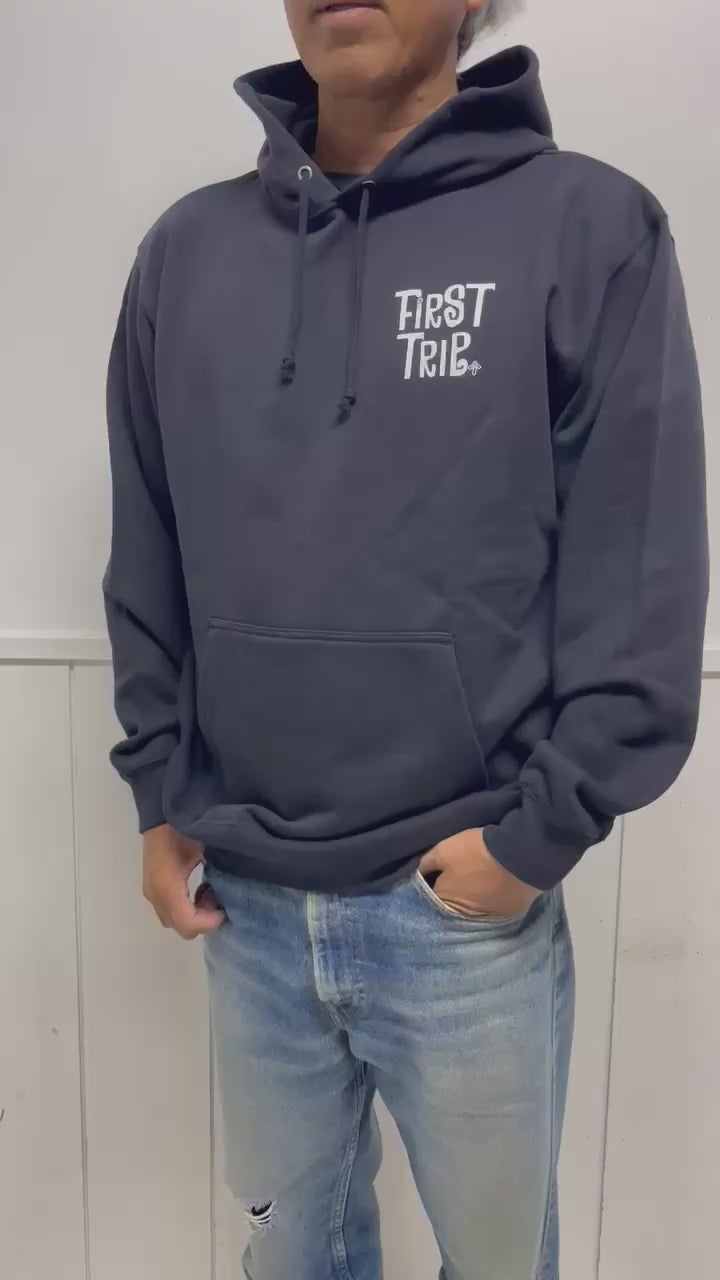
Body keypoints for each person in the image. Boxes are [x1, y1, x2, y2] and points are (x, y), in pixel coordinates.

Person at [103, 1, 708, 1276]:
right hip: (244, 901)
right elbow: (147, 539)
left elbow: (639, 560)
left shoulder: (592, 229)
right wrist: (160, 793)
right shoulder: (187, 254)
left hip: (463, 911)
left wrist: (535, 836)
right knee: (286, 1257)